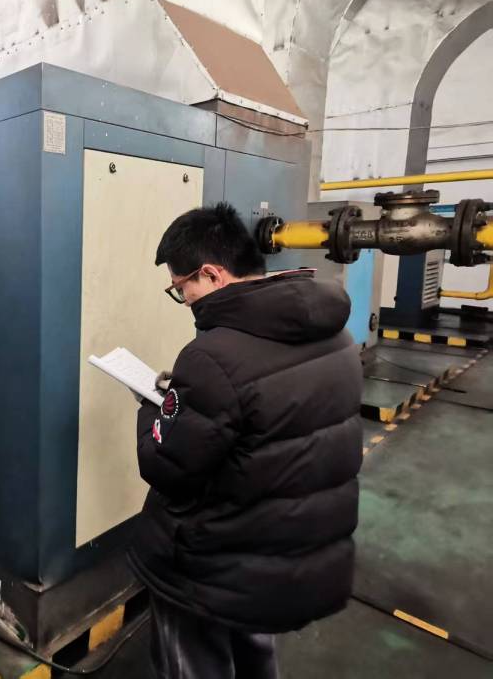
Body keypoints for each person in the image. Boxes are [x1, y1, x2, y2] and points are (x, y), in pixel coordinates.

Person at [131, 203, 363, 679]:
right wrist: (196, 398)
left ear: (212, 274)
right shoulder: (337, 337)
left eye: (182, 288)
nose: (185, 300)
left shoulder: (213, 357)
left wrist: (152, 410)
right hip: (283, 558)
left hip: (214, 567)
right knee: (255, 655)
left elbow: (166, 466)